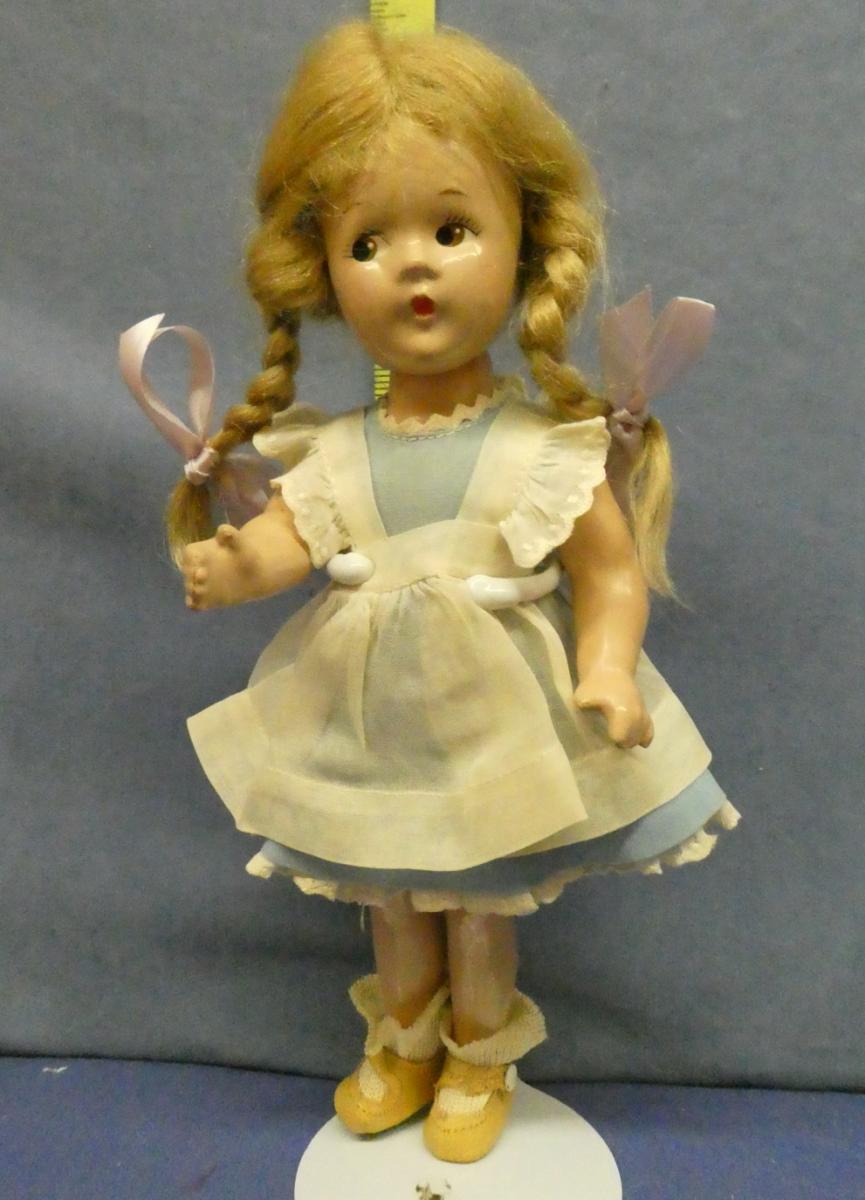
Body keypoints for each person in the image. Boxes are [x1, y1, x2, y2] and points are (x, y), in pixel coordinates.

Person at [143, 20, 739, 1164]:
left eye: (452, 230)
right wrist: (233, 568)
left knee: (477, 903)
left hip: (494, 730)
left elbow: (607, 571)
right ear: (321, 269)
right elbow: (288, 540)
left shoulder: (545, 449)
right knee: (391, 898)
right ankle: (400, 1037)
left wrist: (607, 668)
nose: (413, 266)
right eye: (370, 241)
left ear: (524, 245)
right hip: (370, 725)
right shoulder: (336, 450)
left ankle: (477, 1053)